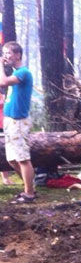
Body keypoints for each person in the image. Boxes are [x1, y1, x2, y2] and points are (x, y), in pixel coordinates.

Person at [0, 41, 35, 203]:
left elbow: (3, 82)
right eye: (4, 53)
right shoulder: (17, 73)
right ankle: (30, 188)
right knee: (12, 160)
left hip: (19, 121)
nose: (5, 56)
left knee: (22, 158)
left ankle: (29, 193)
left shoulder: (23, 72)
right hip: (9, 121)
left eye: (8, 53)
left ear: (18, 55)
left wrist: (0, 65)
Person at [0, 90, 14, 185]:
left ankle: (5, 178)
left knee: (4, 151)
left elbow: (3, 104)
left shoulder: (1, 91)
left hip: (3, 124)